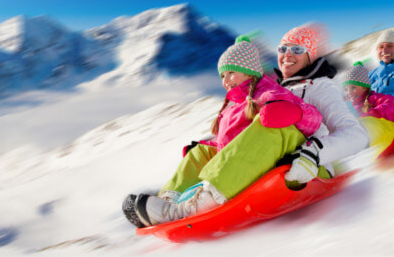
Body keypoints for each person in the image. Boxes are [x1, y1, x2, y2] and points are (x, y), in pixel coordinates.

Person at [123, 36, 322, 227]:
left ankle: (197, 205)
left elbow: (314, 118)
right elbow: (229, 142)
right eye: (223, 76)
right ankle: (170, 201)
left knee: (265, 125)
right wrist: (206, 149)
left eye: (231, 73)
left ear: (249, 72)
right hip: (244, 160)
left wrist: (291, 112)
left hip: (275, 153)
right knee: (200, 151)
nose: (226, 81)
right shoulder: (232, 107)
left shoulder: (270, 93)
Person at [274, 26, 369, 185]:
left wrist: (313, 153)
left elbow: (356, 135)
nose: (287, 54)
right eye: (283, 48)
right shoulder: (276, 90)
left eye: (297, 49)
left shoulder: (320, 87)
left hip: (306, 167)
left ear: (310, 57)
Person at [343, 62, 394, 155]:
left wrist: (375, 112)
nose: (349, 92)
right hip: (364, 136)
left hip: (385, 131)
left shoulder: (373, 98)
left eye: (353, 87)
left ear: (365, 87)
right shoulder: (348, 105)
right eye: (346, 89)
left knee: (361, 125)